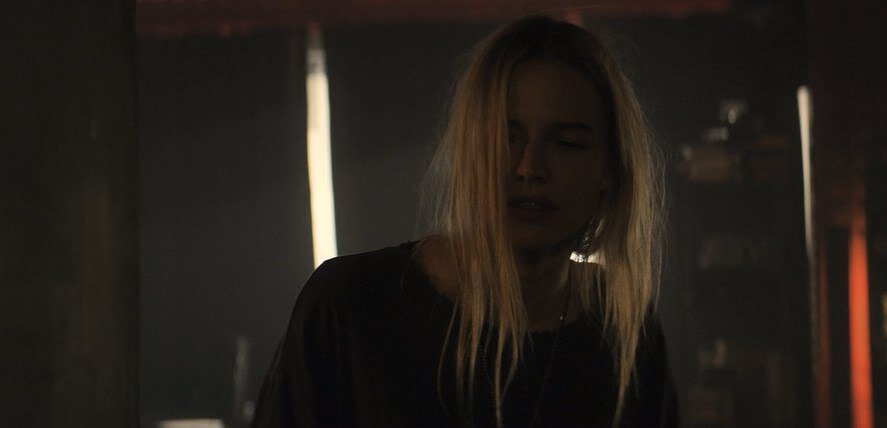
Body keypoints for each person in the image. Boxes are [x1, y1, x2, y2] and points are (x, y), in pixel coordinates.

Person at [253, 15, 676, 427]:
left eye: (567, 143)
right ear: (470, 149)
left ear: (609, 170)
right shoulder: (349, 305)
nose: (530, 167)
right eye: (505, 137)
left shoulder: (624, 331)